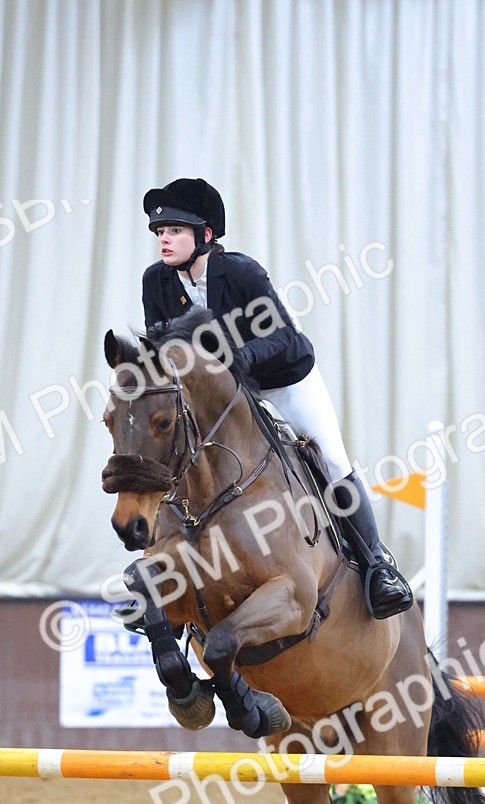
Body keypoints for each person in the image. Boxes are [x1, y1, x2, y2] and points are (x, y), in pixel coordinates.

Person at [140, 177, 412, 620]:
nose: (163, 240)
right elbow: (160, 348)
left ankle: (378, 566)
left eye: (174, 230)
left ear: (206, 235)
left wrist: (242, 357)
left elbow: (284, 335)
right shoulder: (157, 282)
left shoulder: (242, 272)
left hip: (283, 379)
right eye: (159, 233)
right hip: (223, 394)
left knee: (333, 461)